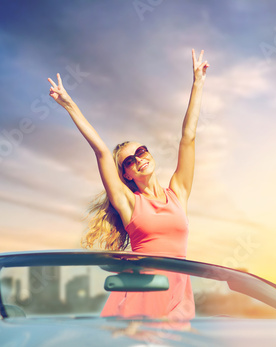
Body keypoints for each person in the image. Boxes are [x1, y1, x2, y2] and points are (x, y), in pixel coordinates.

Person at [48, 49, 209, 321]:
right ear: (126, 175)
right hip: (141, 299)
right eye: (129, 161)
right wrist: (69, 104)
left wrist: (198, 83)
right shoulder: (129, 204)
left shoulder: (178, 194)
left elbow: (188, 137)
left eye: (142, 151)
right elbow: (100, 150)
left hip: (179, 297)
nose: (139, 159)